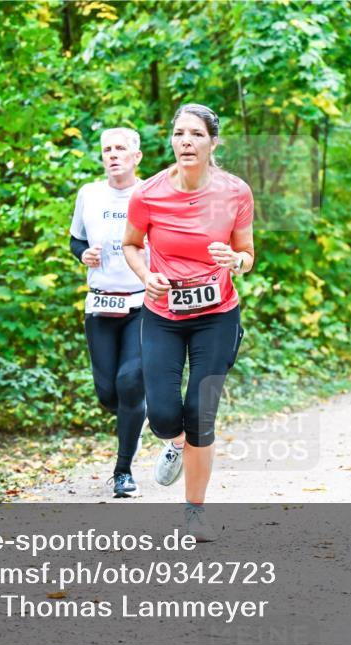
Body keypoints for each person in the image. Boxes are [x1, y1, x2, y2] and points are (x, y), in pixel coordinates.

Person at [122, 103, 254, 542]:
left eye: (196, 134)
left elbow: (247, 254)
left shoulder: (236, 192)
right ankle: (174, 444)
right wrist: (147, 277)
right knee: (162, 414)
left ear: (213, 143)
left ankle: (195, 511)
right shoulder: (148, 193)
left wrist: (236, 260)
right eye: (179, 134)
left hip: (217, 316)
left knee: (201, 413)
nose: (186, 142)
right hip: (162, 315)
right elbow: (131, 245)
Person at [69, 128, 147, 498]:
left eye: (120, 149)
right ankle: (136, 414)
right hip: (101, 302)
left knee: (130, 382)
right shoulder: (89, 194)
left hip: (142, 302)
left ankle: (123, 471)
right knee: (107, 394)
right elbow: (76, 238)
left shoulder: (150, 194)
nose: (113, 155)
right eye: (106, 150)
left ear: (136, 156)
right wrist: (82, 253)